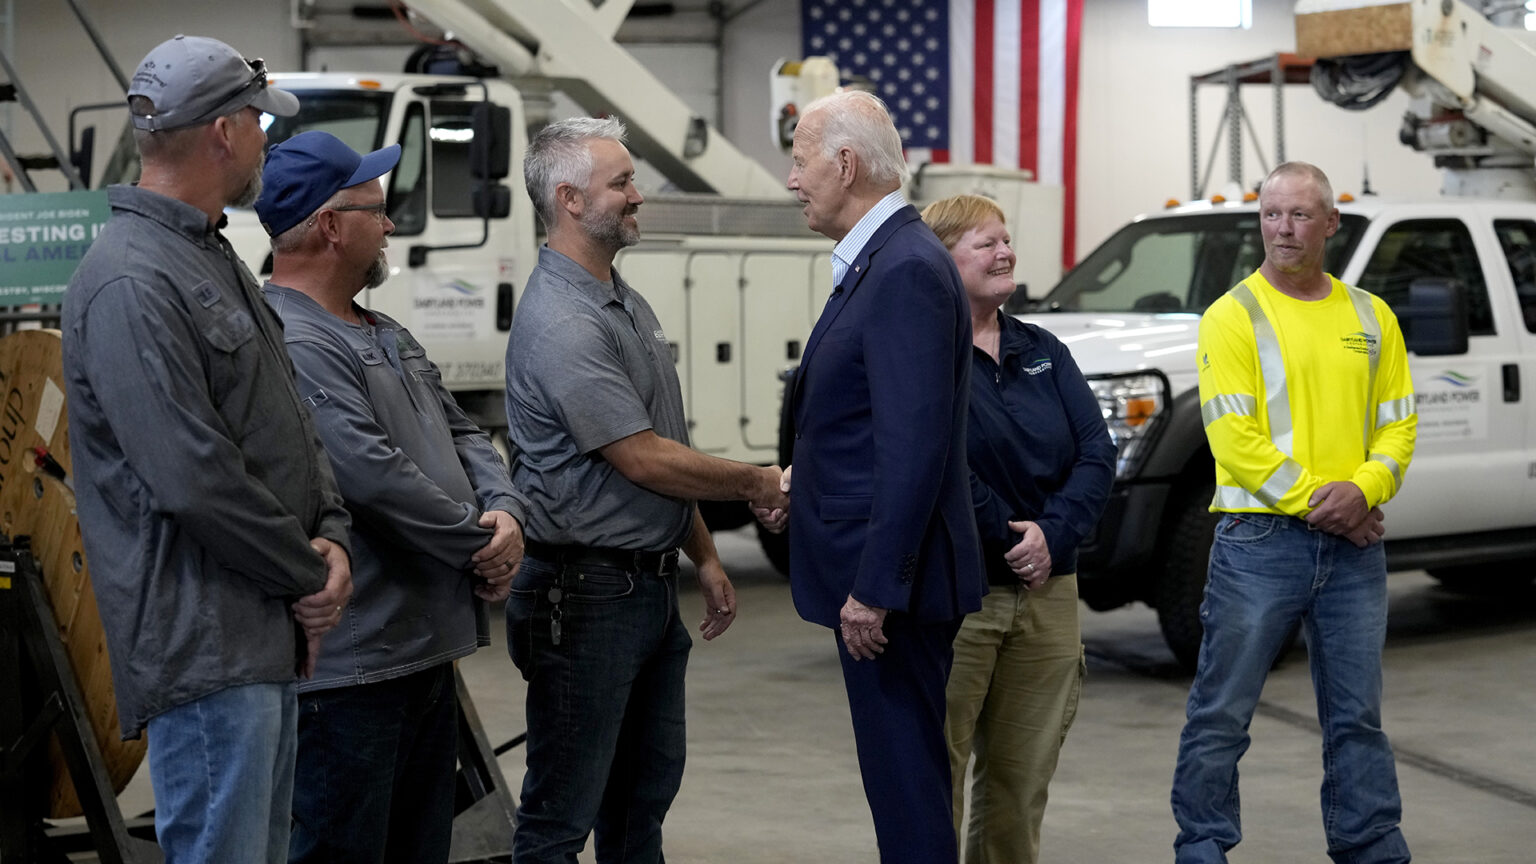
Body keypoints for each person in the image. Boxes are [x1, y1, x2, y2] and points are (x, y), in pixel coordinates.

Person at [60, 35, 352, 864]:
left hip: (258, 635)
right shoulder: (129, 279)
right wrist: (309, 573)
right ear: (224, 132)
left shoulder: (206, 254)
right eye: (260, 121)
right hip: (207, 646)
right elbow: (193, 477)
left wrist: (332, 532)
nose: (268, 138)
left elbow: (286, 418)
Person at [503, 116, 790, 864]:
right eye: (622, 183)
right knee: (560, 817)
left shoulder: (622, 301)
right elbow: (642, 459)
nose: (638, 196)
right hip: (587, 595)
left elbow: (665, 441)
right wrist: (760, 480)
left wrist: (703, 555)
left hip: (641, 589)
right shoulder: (565, 320)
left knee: (640, 803)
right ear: (569, 199)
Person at [252, 131, 530, 864]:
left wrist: (506, 511)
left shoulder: (386, 330)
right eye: (377, 210)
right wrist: (481, 545)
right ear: (330, 225)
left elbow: (465, 431)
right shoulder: (290, 338)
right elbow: (370, 477)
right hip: (353, 670)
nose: (392, 226)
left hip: (420, 653)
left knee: (419, 846)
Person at [1170, 162, 1417, 864]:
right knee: (1222, 712)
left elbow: (1399, 426)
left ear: (1330, 224)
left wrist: (1364, 488)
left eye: (1301, 214)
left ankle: (1371, 844)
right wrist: (1332, 503)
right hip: (1260, 544)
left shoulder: (1372, 316)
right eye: (1272, 214)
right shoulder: (1232, 316)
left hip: (1353, 552)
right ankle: (1204, 846)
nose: (1284, 228)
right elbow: (1236, 440)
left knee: (1357, 718)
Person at [784, 91, 986, 863]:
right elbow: (876, 420)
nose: (792, 180)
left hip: (891, 590)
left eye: (800, 161)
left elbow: (915, 445)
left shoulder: (901, 266)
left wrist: (875, 587)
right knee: (903, 783)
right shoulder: (886, 257)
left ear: (844, 163)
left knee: (907, 790)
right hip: (881, 568)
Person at [920, 194, 1116, 864]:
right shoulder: (924, 354)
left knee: (1020, 780)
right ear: (944, 260)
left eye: (1006, 241)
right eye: (986, 243)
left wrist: (1052, 536)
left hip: (1046, 593)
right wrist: (1008, 536)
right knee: (933, 780)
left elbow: (1097, 452)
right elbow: (937, 461)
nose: (1005, 253)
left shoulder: (1044, 350)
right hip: (959, 596)